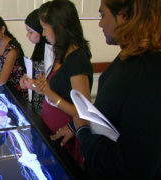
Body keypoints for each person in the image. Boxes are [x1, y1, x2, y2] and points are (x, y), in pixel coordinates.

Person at [69, 0, 161, 179]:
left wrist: (84, 133)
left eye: (103, 15)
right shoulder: (130, 56)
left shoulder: (150, 71)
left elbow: (131, 166)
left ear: (123, 17)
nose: (100, 23)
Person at [33, 0, 93, 166]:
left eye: (45, 28)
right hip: (51, 129)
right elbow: (57, 89)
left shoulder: (77, 60)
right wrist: (43, 87)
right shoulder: (61, 52)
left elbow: (83, 112)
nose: (44, 34)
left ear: (59, 27)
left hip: (66, 138)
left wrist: (50, 94)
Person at [19, 8, 48, 115]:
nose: (27, 35)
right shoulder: (39, 48)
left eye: (30, 32)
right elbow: (36, 72)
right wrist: (26, 78)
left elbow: (49, 86)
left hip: (46, 108)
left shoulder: (52, 52)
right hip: (35, 105)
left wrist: (34, 85)